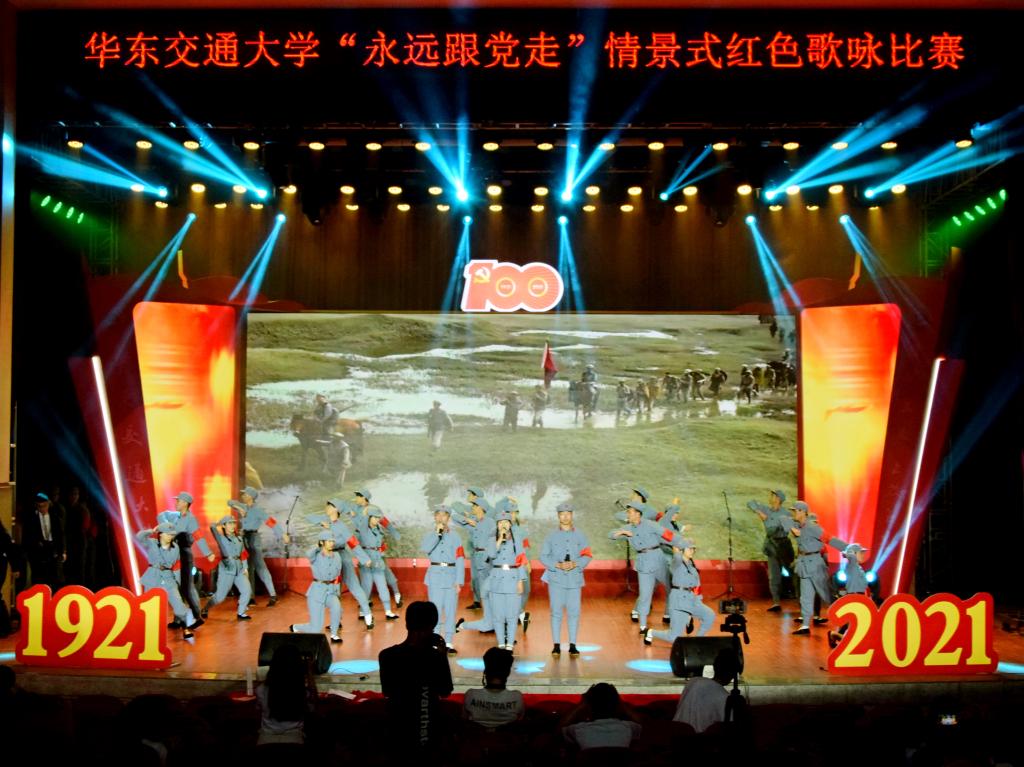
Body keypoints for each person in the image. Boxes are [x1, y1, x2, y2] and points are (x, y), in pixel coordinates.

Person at [379, 601, 455, 752]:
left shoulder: (387, 655)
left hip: (398, 732)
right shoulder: (435, 658)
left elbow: (387, 691)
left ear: (407, 624)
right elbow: (445, 691)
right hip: (427, 732)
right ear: (432, 628)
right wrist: (442, 656)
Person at [609, 502, 673, 635]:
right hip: (644, 562)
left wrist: (682, 544)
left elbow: (667, 535)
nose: (628, 514)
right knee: (645, 594)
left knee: (671, 588)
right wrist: (620, 533)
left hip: (658, 559)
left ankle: (669, 615)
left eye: (630, 512)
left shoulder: (650, 524)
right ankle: (643, 626)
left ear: (638, 514)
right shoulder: (628, 527)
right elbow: (610, 534)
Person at [540, 502, 591, 657]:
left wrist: (576, 563)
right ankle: (556, 645)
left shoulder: (581, 535)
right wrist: (557, 565)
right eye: (562, 514)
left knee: (574, 613)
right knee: (556, 612)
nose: (565, 517)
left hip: (574, 579)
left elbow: (587, 555)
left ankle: (573, 645)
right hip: (556, 579)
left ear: (572, 515)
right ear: (558, 516)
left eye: (568, 514)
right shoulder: (550, 536)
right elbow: (543, 556)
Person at [644, 535, 716, 644]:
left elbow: (697, 586)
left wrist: (698, 601)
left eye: (693, 549)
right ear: (682, 549)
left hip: (692, 600)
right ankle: (650, 632)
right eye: (689, 548)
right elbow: (677, 555)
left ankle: (697, 641)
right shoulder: (676, 563)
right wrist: (676, 545)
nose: (692, 551)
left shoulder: (692, 566)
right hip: (679, 601)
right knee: (673, 637)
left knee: (709, 615)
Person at [159, 491, 215, 629]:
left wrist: (208, 553)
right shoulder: (176, 516)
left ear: (185, 503)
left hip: (184, 555)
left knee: (187, 588)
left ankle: (197, 616)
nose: (176, 503)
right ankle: (178, 619)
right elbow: (161, 516)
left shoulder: (190, 519)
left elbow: (198, 537)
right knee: (176, 588)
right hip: (175, 555)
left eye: (178, 501)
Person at [317, 498, 374, 629]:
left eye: (330, 505)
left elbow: (353, 543)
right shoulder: (327, 524)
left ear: (336, 509)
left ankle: (368, 616)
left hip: (342, 556)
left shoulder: (341, 526)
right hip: (331, 558)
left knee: (354, 586)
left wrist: (364, 558)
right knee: (334, 591)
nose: (327, 507)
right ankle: (336, 621)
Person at [136, 521, 199, 639]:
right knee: (148, 604)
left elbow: (174, 563)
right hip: (153, 576)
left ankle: (185, 628)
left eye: (172, 534)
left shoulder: (176, 547)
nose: (171, 536)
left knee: (178, 602)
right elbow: (139, 537)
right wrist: (152, 531)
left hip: (168, 577)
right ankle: (148, 630)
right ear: (161, 534)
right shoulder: (152, 543)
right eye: (168, 534)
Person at [419, 505, 465, 653]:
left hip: (451, 576)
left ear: (448, 518)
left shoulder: (456, 537)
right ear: (434, 517)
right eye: (438, 515)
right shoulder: (429, 535)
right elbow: (425, 549)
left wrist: (459, 580)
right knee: (435, 611)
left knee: (451, 611)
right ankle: (435, 641)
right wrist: (437, 534)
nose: (440, 518)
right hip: (435, 576)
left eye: (444, 515)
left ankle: (449, 642)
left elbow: (460, 558)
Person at [255, 644, 317, 746]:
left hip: (266, 742)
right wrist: (309, 671)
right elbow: (313, 706)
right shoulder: (301, 691)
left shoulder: (261, 690)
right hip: (294, 742)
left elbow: (258, 709)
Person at [227, 486, 279, 608]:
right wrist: (239, 508)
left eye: (245, 494)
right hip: (244, 538)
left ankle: (273, 595)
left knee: (260, 566)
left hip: (254, 538)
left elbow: (271, 522)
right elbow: (229, 502)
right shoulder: (244, 506)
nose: (243, 496)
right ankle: (250, 597)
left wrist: (281, 534)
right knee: (247, 568)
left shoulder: (258, 510)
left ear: (250, 497)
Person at [289, 529, 344, 643]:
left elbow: (338, 577)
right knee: (316, 629)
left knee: (337, 607)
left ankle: (334, 634)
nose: (332, 543)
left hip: (331, 591)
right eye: (329, 541)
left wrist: (337, 593)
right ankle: (296, 627)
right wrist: (319, 547)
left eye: (332, 541)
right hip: (316, 593)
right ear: (322, 542)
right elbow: (308, 553)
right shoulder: (315, 555)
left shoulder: (337, 556)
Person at [747, 489, 795, 612]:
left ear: (778, 499)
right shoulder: (766, 509)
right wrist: (759, 512)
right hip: (772, 545)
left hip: (784, 545)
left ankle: (799, 597)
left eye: (773, 495)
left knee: (793, 572)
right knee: (774, 575)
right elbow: (750, 503)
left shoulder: (786, 513)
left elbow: (785, 528)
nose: (770, 497)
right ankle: (776, 602)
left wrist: (770, 522)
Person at [789, 501, 832, 635]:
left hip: (816, 565)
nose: (793, 513)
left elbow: (828, 542)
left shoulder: (814, 530)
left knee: (826, 594)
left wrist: (847, 549)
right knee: (806, 596)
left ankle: (844, 618)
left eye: (795, 511)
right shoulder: (802, 529)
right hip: (805, 564)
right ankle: (805, 624)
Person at [673, 648, 741, 733]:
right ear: (733, 673)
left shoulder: (693, 682)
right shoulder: (725, 698)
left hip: (676, 735)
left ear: (714, 667)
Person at [487, 510, 527, 651]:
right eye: (500, 522)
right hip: (496, 580)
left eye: (506, 522)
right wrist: (499, 540)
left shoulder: (517, 540)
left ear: (510, 524)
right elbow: (491, 555)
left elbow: (521, 560)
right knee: (498, 615)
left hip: (513, 578)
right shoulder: (492, 539)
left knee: (512, 615)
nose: (503, 524)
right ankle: (500, 643)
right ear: (497, 525)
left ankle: (509, 643)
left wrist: (521, 580)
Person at [562, 683, 641, 751]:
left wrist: (582, 704)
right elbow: (643, 725)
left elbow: (560, 730)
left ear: (588, 707)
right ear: (616, 705)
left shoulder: (579, 729)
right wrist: (619, 701)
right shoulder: (627, 727)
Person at [201, 515, 252, 621]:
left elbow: (243, 554)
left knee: (247, 590)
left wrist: (245, 568)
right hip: (227, 569)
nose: (233, 525)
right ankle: (205, 608)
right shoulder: (221, 538)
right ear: (224, 526)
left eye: (234, 523)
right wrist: (219, 523)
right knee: (220, 597)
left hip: (239, 569)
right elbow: (212, 527)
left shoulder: (239, 539)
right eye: (229, 523)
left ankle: (241, 613)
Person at [462, 647, 525, 730]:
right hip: (506, 738)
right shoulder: (517, 697)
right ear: (508, 672)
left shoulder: (471, 695)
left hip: (477, 738)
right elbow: (520, 722)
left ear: (485, 671)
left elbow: (464, 722)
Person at [355, 506, 400, 621]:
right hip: (366, 561)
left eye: (378, 518)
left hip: (377, 561)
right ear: (369, 518)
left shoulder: (378, 529)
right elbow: (356, 544)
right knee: (366, 587)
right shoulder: (363, 528)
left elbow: (380, 543)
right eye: (374, 517)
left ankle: (388, 611)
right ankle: (362, 611)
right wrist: (365, 513)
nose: (377, 520)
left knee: (382, 586)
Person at [826, 538, 871, 648]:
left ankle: (836, 635)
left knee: (853, 620)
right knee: (856, 620)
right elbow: (849, 556)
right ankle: (842, 638)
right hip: (854, 596)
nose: (863, 555)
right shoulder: (852, 566)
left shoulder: (857, 567)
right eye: (861, 552)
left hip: (859, 596)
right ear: (854, 554)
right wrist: (849, 553)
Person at [453, 498, 495, 610]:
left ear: (481, 508)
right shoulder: (472, 521)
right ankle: (485, 610)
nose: (472, 507)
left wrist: (488, 556)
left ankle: (492, 611)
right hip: (476, 556)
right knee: (478, 583)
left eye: (475, 506)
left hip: (485, 556)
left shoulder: (490, 522)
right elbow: (454, 518)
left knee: (487, 585)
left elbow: (494, 538)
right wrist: (467, 519)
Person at [20, 492, 65, 588]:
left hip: (53, 550)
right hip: (38, 553)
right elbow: (26, 537)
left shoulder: (55, 517)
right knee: (38, 579)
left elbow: (60, 535)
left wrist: (63, 551)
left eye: (44, 506)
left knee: (55, 579)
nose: (42, 509)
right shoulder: (31, 519)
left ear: (49, 504)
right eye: (39, 506)